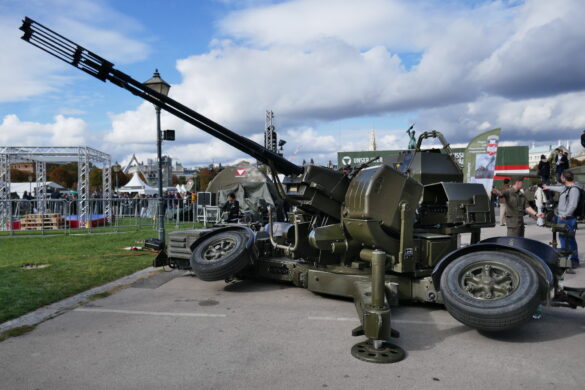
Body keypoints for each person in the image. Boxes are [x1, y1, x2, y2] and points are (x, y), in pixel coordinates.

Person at [544, 171, 580, 268]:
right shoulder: (566, 188)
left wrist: (565, 214)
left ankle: (573, 260)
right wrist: (548, 187)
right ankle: (565, 260)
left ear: (564, 178)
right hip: (562, 217)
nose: (560, 178)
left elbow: (573, 205)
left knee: (569, 239)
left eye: (561, 177)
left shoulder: (574, 190)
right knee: (564, 238)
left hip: (567, 218)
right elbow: (559, 188)